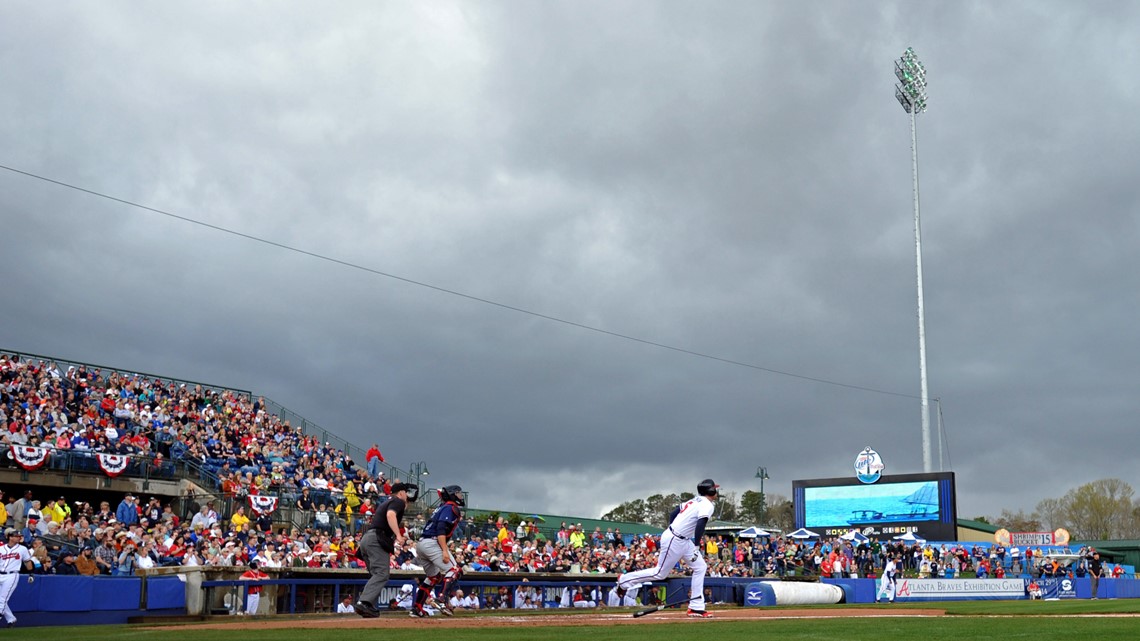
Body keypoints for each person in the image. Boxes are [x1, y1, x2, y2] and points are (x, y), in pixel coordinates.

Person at [616, 479, 720, 618]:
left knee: (700, 567)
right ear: (711, 491)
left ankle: (696, 607)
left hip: (683, 539)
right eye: (715, 489)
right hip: (675, 539)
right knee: (660, 573)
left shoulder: (695, 500)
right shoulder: (707, 504)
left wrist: (675, 528)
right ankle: (624, 581)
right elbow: (701, 524)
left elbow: (673, 513)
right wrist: (696, 545)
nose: (716, 491)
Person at [355, 482, 414, 618]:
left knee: (376, 574)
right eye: (405, 492)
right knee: (382, 574)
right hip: (376, 539)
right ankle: (364, 602)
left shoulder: (387, 501)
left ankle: (367, 605)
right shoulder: (397, 501)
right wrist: (398, 535)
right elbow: (390, 515)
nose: (407, 494)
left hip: (367, 539)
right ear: (401, 493)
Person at [410, 485, 465, 618]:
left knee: (434, 577)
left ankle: (417, 608)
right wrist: (445, 551)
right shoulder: (450, 507)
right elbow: (441, 528)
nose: (460, 495)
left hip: (422, 543)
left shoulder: (442, 507)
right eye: (458, 493)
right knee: (455, 570)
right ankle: (442, 600)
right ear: (452, 494)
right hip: (432, 542)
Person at [0, 529, 34, 628]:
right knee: (1, 599)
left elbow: (27, 562)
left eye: (19, 536)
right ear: (10, 537)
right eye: (16, 536)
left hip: (12, 575)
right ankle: (11, 619)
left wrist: (31, 573)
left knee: (2, 598)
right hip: (0, 573)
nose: (18, 537)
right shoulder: (1, 548)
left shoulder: (22, 549)